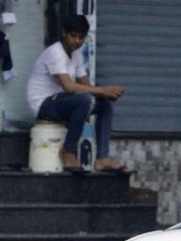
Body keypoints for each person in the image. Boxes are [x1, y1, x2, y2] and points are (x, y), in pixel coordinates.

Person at [24, 14, 126, 173]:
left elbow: (85, 85)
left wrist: (107, 94)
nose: (77, 41)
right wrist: (102, 90)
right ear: (64, 33)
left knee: (105, 105)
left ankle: (102, 158)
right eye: (73, 36)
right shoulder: (55, 52)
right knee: (83, 100)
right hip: (43, 104)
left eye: (81, 37)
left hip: (63, 102)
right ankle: (68, 151)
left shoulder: (76, 55)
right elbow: (69, 87)